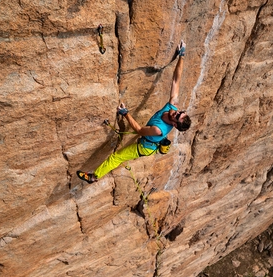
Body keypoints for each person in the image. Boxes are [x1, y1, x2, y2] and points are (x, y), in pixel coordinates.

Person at [77, 40, 191, 183]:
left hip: (145, 147)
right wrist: (182, 55)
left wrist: (125, 113)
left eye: (177, 116)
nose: (176, 112)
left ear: (174, 124)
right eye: (180, 112)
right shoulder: (173, 106)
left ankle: (93, 177)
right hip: (150, 139)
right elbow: (176, 80)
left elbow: (138, 130)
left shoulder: (158, 129)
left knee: (116, 157)